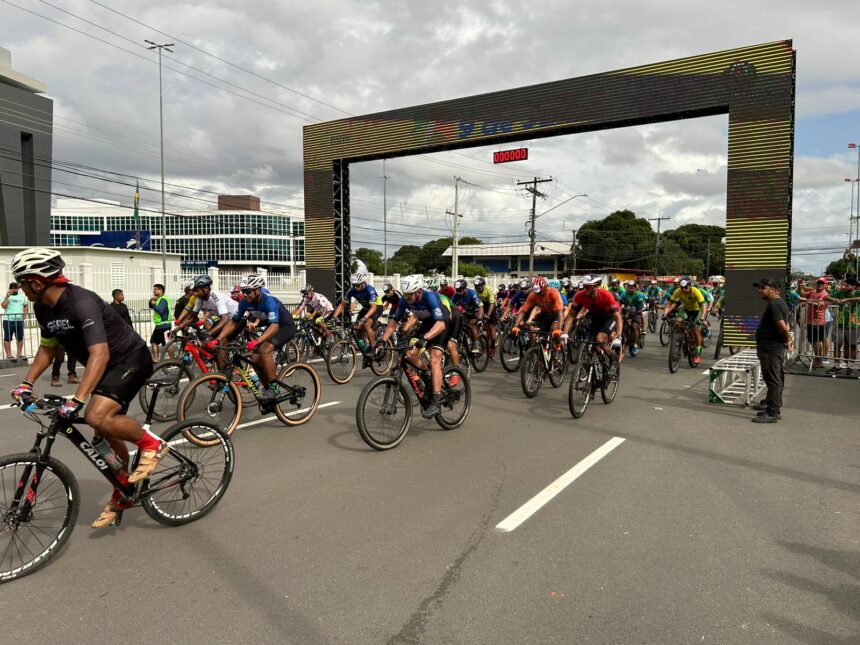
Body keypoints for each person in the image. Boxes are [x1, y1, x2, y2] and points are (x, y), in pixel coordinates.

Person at [8, 248, 165, 528]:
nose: (21, 288)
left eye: (21, 281)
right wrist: (26, 383)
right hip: (104, 368)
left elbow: (100, 354)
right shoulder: (42, 307)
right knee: (102, 430)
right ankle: (123, 489)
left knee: (95, 415)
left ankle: (151, 445)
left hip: (130, 359)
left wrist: (77, 399)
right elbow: (47, 348)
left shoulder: (80, 301)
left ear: (35, 281)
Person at [209, 273, 296, 408]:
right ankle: (268, 390)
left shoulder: (269, 301)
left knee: (264, 350)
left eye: (248, 291)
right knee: (255, 361)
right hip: (270, 327)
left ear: (257, 290)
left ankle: (275, 389)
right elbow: (234, 322)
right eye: (244, 291)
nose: (245, 294)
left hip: (284, 327)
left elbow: (274, 326)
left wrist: (258, 340)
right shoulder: (244, 302)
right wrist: (218, 339)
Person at [378, 275, 450, 418]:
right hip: (427, 324)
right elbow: (394, 322)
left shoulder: (430, 297)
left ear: (419, 291)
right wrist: (382, 341)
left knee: (435, 359)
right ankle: (427, 376)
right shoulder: (405, 299)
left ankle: (436, 402)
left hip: (442, 323)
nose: (407, 298)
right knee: (410, 354)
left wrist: (426, 338)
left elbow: (441, 324)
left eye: (410, 295)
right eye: (405, 295)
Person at [751, 278, 792, 424]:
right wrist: (787, 340)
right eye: (759, 287)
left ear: (774, 289)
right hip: (771, 346)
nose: (760, 290)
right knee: (776, 377)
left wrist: (787, 340)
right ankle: (770, 404)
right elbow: (785, 324)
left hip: (771, 347)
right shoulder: (777, 303)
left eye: (763, 287)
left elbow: (782, 326)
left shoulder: (775, 304)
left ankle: (773, 412)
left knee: (772, 379)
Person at [330, 270, 382, 348]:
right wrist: (334, 317)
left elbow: (373, 307)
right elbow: (342, 305)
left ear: (362, 283)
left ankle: (373, 348)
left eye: (357, 285)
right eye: (353, 285)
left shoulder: (369, 289)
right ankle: (364, 349)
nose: (355, 287)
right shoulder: (352, 291)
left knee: (366, 324)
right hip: (366, 308)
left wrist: (364, 317)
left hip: (376, 307)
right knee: (357, 329)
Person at [662, 276, 707, 366]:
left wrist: (702, 319)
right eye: (682, 288)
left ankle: (697, 353)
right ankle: (680, 337)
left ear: (689, 286)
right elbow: (671, 303)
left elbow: (703, 307)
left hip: (696, 311)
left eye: (686, 287)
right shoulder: (678, 291)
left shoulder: (696, 291)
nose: (684, 290)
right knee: (677, 321)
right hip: (686, 310)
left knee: (696, 331)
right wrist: (665, 314)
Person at [798, 277, 838, 369]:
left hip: (818, 321)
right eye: (818, 283)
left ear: (825, 285)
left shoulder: (825, 294)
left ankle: (819, 361)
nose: (820, 285)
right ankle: (818, 359)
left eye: (822, 283)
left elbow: (819, 305)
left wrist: (806, 301)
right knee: (813, 341)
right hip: (810, 320)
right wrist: (800, 285)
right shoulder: (813, 292)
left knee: (817, 341)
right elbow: (802, 294)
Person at [2, 281, 29, 361]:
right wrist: (7, 296)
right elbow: (3, 306)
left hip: (19, 320)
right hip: (8, 320)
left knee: (20, 337)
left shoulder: (22, 297)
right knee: (7, 338)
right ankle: (9, 355)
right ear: (9, 288)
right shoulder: (6, 296)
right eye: (12, 288)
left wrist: (25, 313)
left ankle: (19, 354)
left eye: (15, 288)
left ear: (18, 288)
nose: (14, 289)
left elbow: (25, 305)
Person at [149, 283, 172, 362]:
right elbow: (151, 306)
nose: (153, 291)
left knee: (167, 343)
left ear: (160, 290)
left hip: (164, 325)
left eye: (155, 289)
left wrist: (154, 304)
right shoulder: (158, 299)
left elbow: (160, 311)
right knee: (153, 341)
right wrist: (152, 301)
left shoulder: (163, 299)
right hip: (159, 326)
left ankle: (173, 361)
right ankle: (156, 359)